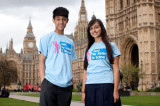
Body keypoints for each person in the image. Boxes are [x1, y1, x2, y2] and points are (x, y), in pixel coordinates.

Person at [39, 7, 77, 106]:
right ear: (53, 20)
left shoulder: (70, 42)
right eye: (58, 19)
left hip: (66, 86)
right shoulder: (46, 38)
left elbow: (69, 62)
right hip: (50, 83)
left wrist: (71, 80)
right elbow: (41, 60)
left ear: (67, 21)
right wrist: (43, 81)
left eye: (64, 19)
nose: (61, 22)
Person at [82, 18, 121, 106]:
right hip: (90, 86)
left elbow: (116, 70)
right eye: (91, 28)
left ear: (101, 29)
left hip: (106, 85)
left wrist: (115, 91)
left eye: (96, 27)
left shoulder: (111, 45)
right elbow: (85, 71)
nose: (93, 30)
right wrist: (83, 91)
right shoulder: (87, 49)